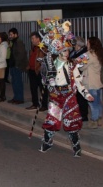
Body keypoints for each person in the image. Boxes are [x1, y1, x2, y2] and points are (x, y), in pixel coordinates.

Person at [37, 19, 94, 157]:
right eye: (64, 51)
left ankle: (76, 147)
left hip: (69, 95)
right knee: (52, 120)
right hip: (56, 95)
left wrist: (86, 94)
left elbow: (78, 82)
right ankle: (47, 142)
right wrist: (47, 80)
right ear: (58, 52)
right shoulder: (50, 64)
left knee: (71, 121)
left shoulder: (72, 65)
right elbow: (44, 78)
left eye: (67, 51)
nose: (66, 53)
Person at [80, 37, 103, 129]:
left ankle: (94, 121)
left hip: (90, 83)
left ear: (91, 44)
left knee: (92, 104)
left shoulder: (89, 55)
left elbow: (82, 67)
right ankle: (100, 119)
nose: (87, 44)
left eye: (88, 43)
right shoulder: (99, 54)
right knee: (97, 102)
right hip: (98, 82)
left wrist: (79, 63)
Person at [25, 31, 48, 111]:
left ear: (38, 38)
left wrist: (41, 68)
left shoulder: (43, 47)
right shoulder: (33, 47)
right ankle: (35, 104)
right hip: (32, 70)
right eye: (31, 39)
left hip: (39, 71)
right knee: (33, 88)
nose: (32, 40)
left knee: (42, 89)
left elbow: (46, 58)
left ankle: (44, 105)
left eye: (33, 38)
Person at [70, 36, 89, 123]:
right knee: (77, 96)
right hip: (74, 75)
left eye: (75, 44)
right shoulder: (75, 51)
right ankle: (79, 113)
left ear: (78, 45)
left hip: (81, 76)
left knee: (82, 96)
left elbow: (81, 64)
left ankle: (84, 115)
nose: (73, 46)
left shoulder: (84, 52)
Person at [8, 28, 28, 105]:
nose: (10, 36)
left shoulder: (18, 42)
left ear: (16, 34)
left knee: (18, 83)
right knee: (14, 82)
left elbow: (21, 54)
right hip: (13, 65)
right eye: (9, 34)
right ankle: (16, 97)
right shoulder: (13, 42)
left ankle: (19, 99)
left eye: (11, 34)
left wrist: (17, 64)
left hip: (17, 65)